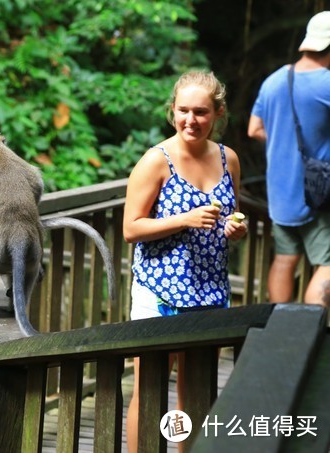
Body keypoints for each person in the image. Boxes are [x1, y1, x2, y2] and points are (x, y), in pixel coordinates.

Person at [123, 70, 248, 453]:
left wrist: (234, 229)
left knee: (197, 392)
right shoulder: (155, 161)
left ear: (218, 113)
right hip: (158, 290)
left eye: (201, 112)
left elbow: (233, 213)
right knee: (150, 389)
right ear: (172, 111)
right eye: (183, 111)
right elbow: (131, 228)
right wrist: (184, 219)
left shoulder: (229, 159)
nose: (190, 120)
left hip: (209, 290)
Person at [248, 11, 330, 305]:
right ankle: (308, 335)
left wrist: (284, 143)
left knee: (285, 259)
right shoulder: (327, 83)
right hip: (318, 193)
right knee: (328, 265)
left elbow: (254, 128)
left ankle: (282, 329)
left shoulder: (274, 80)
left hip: (280, 193)